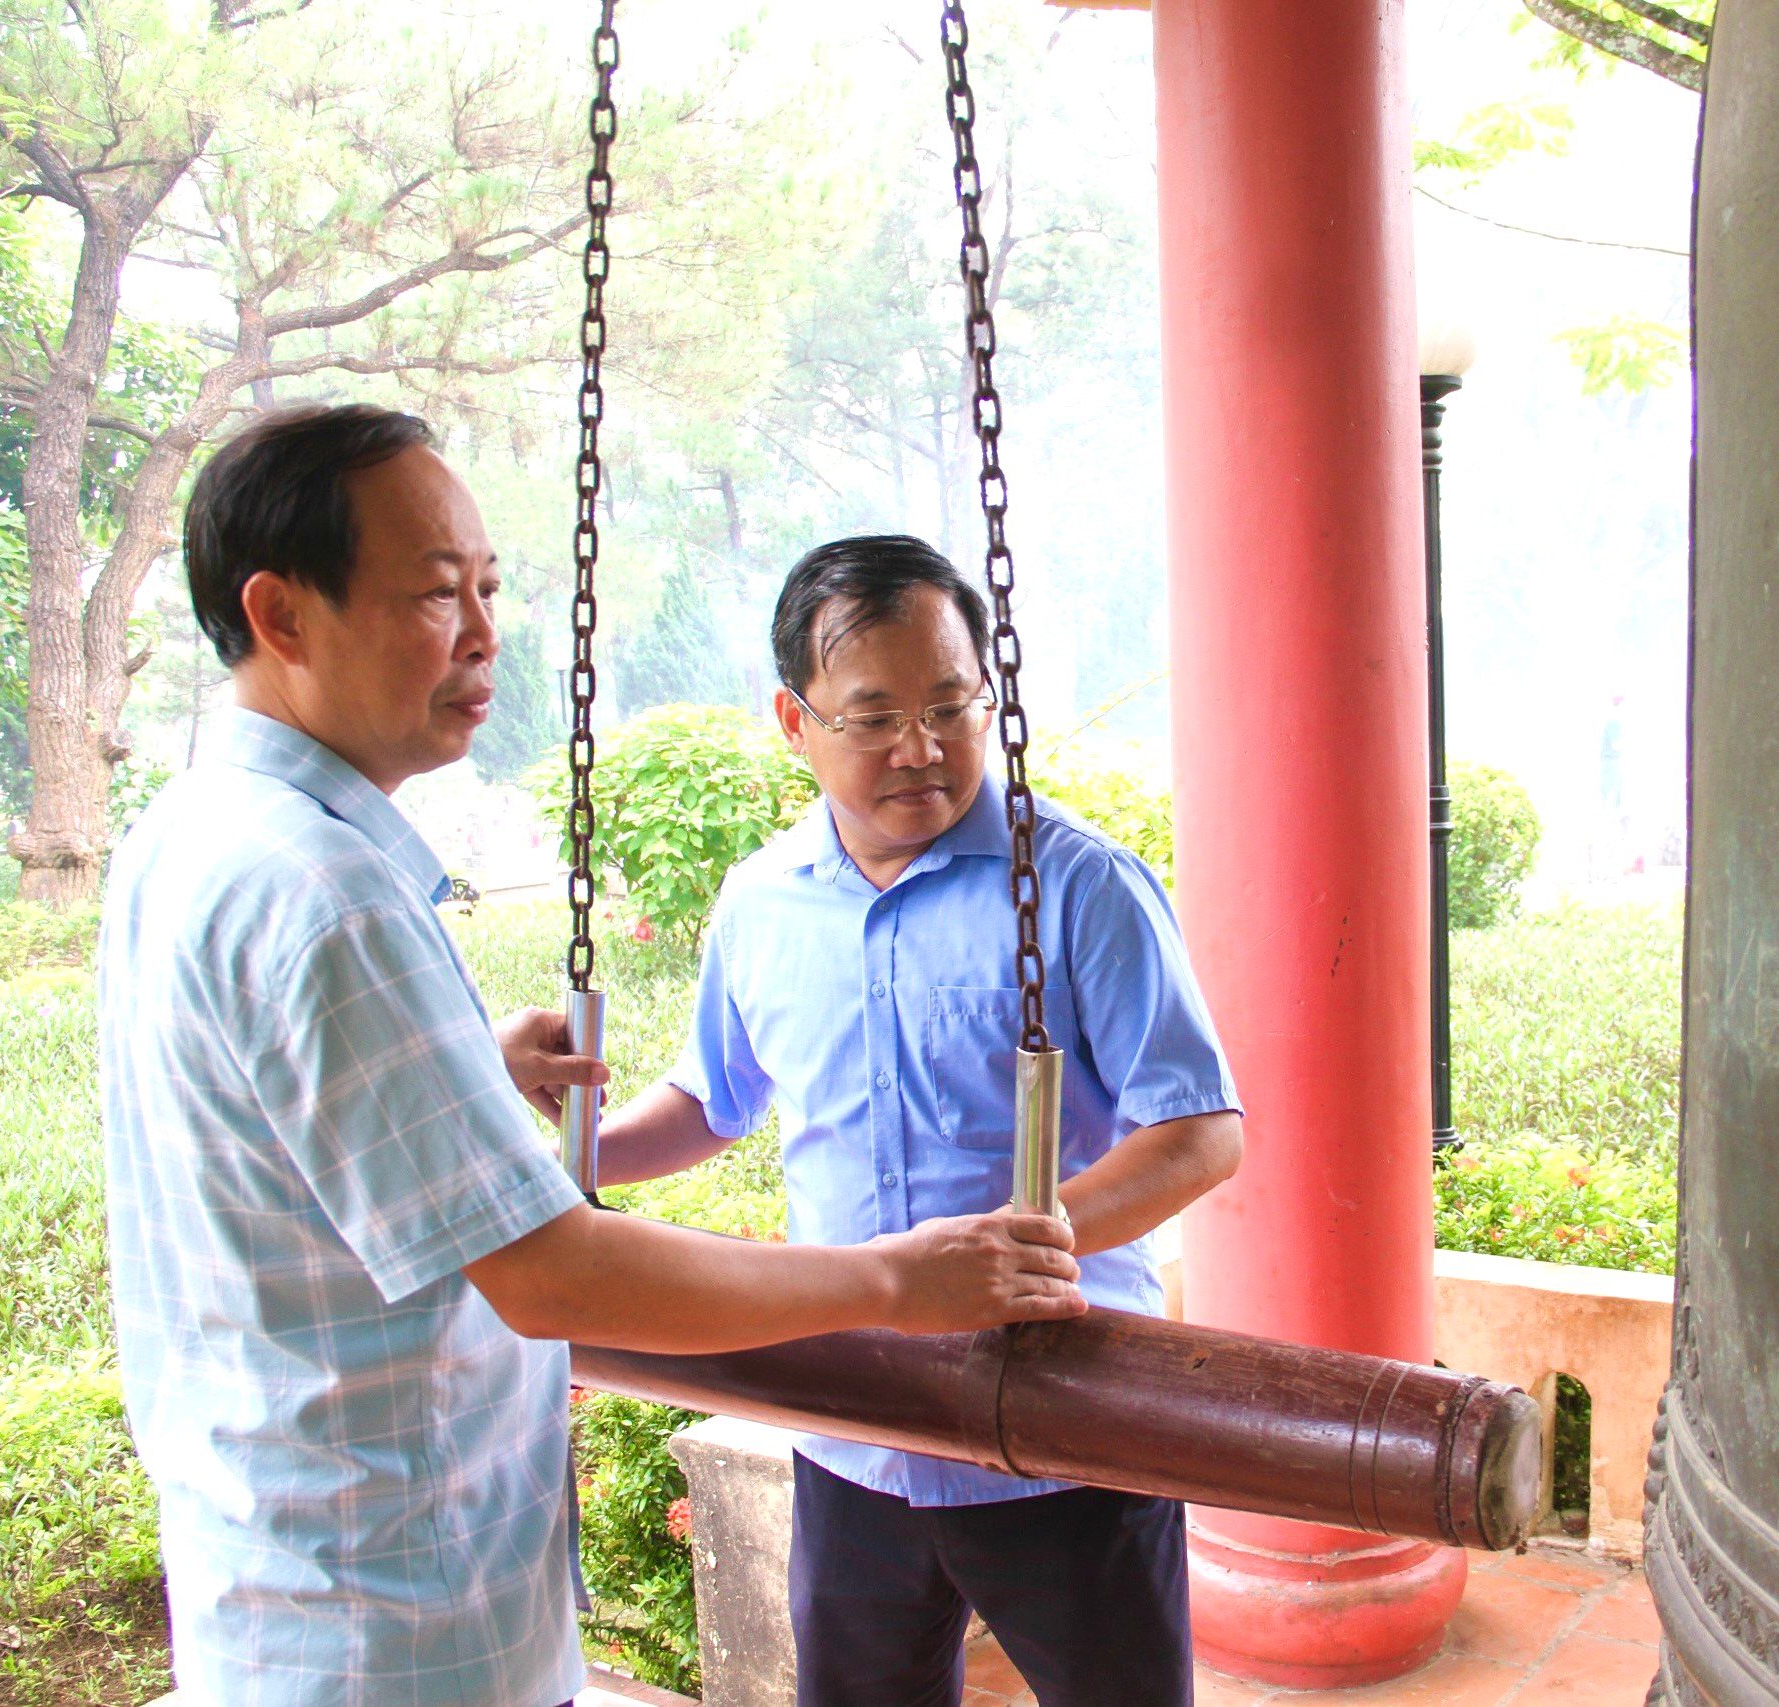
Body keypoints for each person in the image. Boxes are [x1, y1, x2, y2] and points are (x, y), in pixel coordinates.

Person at [101, 409, 1083, 1707]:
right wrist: (899, 1276)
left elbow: (270, 1139)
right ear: (281, 614)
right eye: (435, 592)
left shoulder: (194, 832)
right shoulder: (329, 890)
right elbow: (554, 1270)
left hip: (283, 1598)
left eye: (491, 588)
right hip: (399, 1634)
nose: (483, 634)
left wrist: (455, 1064)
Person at [596, 535, 1245, 1707]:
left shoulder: (1081, 886)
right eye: (873, 715)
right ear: (794, 722)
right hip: (855, 1424)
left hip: (1064, 1421)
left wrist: (1028, 1241)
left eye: (952, 706)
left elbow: (1199, 1130)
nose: (922, 748)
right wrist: (568, 1145)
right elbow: (706, 1103)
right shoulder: (761, 904)